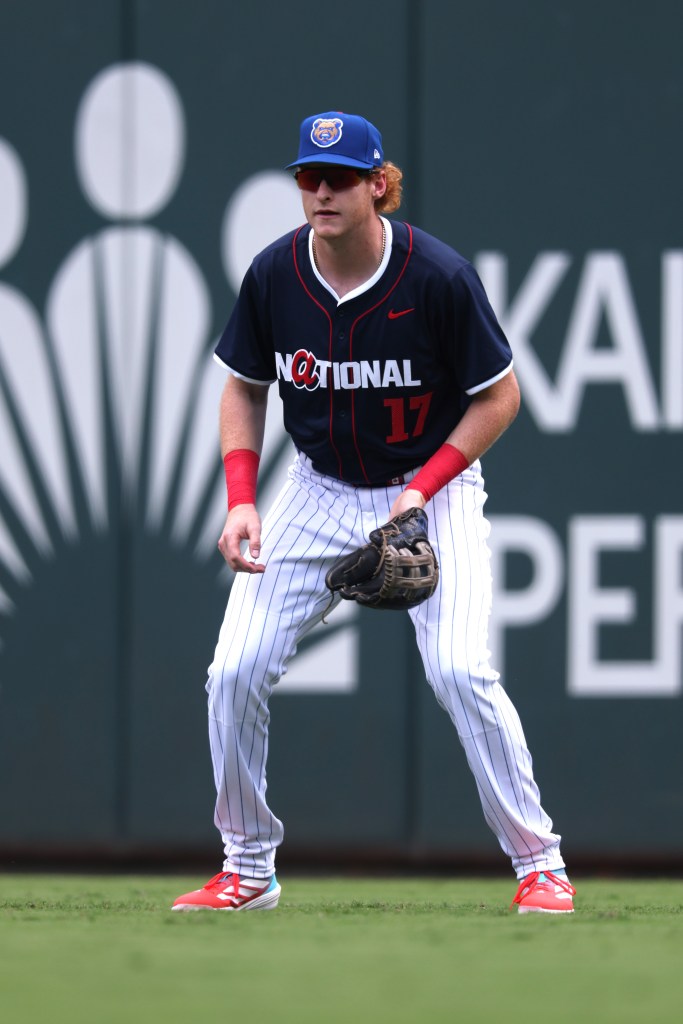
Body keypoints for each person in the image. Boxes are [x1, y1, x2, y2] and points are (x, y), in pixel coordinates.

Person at [172, 111, 576, 915]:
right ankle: (248, 866)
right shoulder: (274, 274)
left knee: (460, 670)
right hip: (316, 489)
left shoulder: (437, 276)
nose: (321, 192)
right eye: (308, 178)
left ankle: (539, 863)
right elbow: (244, 385)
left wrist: (421, 489)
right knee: (234, 671)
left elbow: (499, 397)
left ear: (376, 185)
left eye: (340, 178)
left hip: (429, 491)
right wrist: (242, 497)